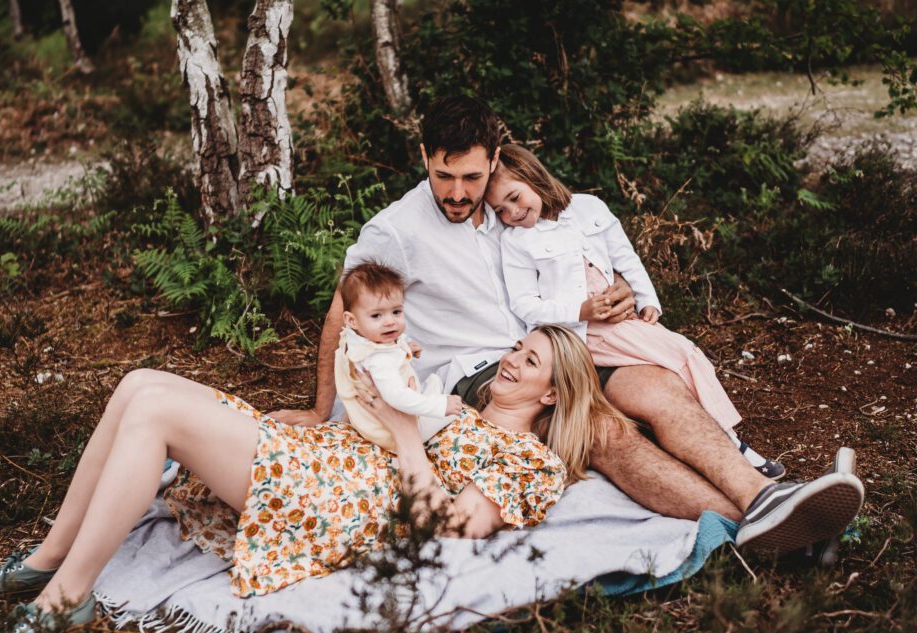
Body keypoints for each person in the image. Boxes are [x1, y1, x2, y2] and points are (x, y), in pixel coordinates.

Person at [269, 94, 863, 558]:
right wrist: (323, 411)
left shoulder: (510, 208)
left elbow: (581, 242)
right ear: (425, 157)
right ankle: (769, 531)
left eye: (471, 178)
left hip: (560, 344)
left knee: (657, 385)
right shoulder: (395, 229)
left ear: (495, 161)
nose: (457, 193)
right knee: (600, 430)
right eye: (444, 176)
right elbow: (340, 312)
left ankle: (768, 499)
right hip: (477, 374)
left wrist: (618, 289)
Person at [0, 325, 620, 633]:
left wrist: (405, 431)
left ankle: (66, 599)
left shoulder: (528, 462)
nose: (510, 360)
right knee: (138, 382)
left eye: (529, 361)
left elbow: (452, 524)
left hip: (334, 498)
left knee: (157, 415)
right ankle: (49, 559)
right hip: (325, 455)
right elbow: (385, 411)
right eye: (517, 347)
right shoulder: (461, 409)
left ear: (554, 392)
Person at [486, 143, 784, 479]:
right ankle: (732, 445)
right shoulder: (516, 241)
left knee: (681, 358)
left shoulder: (589, 208)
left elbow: (626, 258)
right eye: (499, 210)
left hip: (620, 321)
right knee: (682, 354)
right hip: (582, 333)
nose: (510, 213)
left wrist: (648, 302)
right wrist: (580, 310)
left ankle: (719, 442)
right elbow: (525, 305)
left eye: (514, 197)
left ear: (533, 176)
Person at [334, 261, 463, 452]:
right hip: (392, 433)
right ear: (351, 320)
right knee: (456, 412)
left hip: (375, 422)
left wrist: (405, 349)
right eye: (377, 316)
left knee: (434, 382)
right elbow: (396, 397)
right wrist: (439, 406)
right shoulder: (378, 360)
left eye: (396, 312)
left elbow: (386, 354)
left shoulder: (360, 340)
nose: (390, 322)